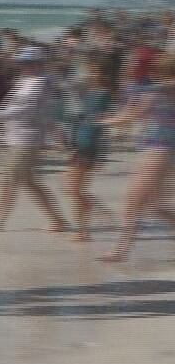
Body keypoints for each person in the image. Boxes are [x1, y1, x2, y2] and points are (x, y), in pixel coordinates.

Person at [0, 47, 69, 234]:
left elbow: (25, 111)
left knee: (9, 180)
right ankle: (58, 221)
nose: (24, 66)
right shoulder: (25, 81)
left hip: (27, 139)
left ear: (39, 63)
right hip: (14, 136)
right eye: (22, 63)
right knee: (29, 183)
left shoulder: (41, 83)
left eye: (29, 63)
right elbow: (12, 105)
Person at [100, 51, 175, 264]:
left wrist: (104, 122)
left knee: (134, 203)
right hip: (166, 152)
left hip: (156, 151)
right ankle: (121, 250)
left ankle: (120, 251)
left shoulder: (157, 91)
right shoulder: (158, 90)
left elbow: (132, 116)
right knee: (158, 207)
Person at [62, 56, 115, 242]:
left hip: (88, 144)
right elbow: (78, 118)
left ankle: (84, 231)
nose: (88, 74)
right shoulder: (89, 92)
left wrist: (101, 154)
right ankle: (95, 213)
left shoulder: (103, 94)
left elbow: (102, 124)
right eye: (88, 71)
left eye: (93, 71)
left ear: (103, 74)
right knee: (71, 188)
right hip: (79, 142)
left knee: (74, 189)